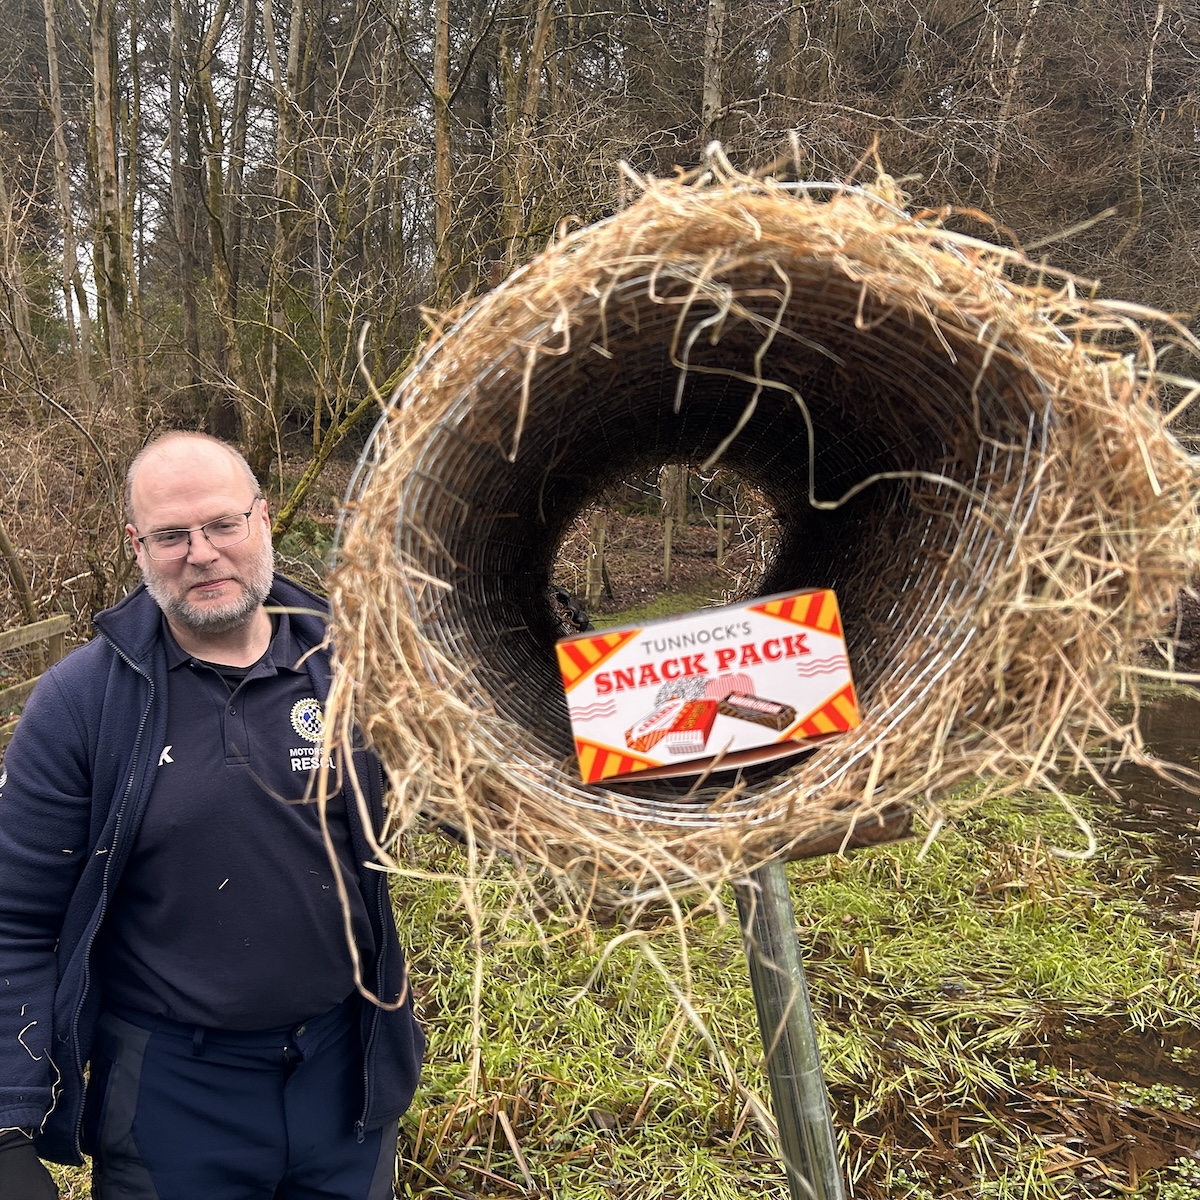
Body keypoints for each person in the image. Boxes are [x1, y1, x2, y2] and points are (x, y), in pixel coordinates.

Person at [0, 432, 423, 1199]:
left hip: (344, 1076)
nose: (201, 552)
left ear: (264, 519)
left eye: (223, 524)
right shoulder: (81, 704)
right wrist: (5, 1127)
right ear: (137, 546)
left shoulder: (359, 665)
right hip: (171, 1093)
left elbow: (478, 793)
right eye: (171, 535)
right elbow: (16, 922)